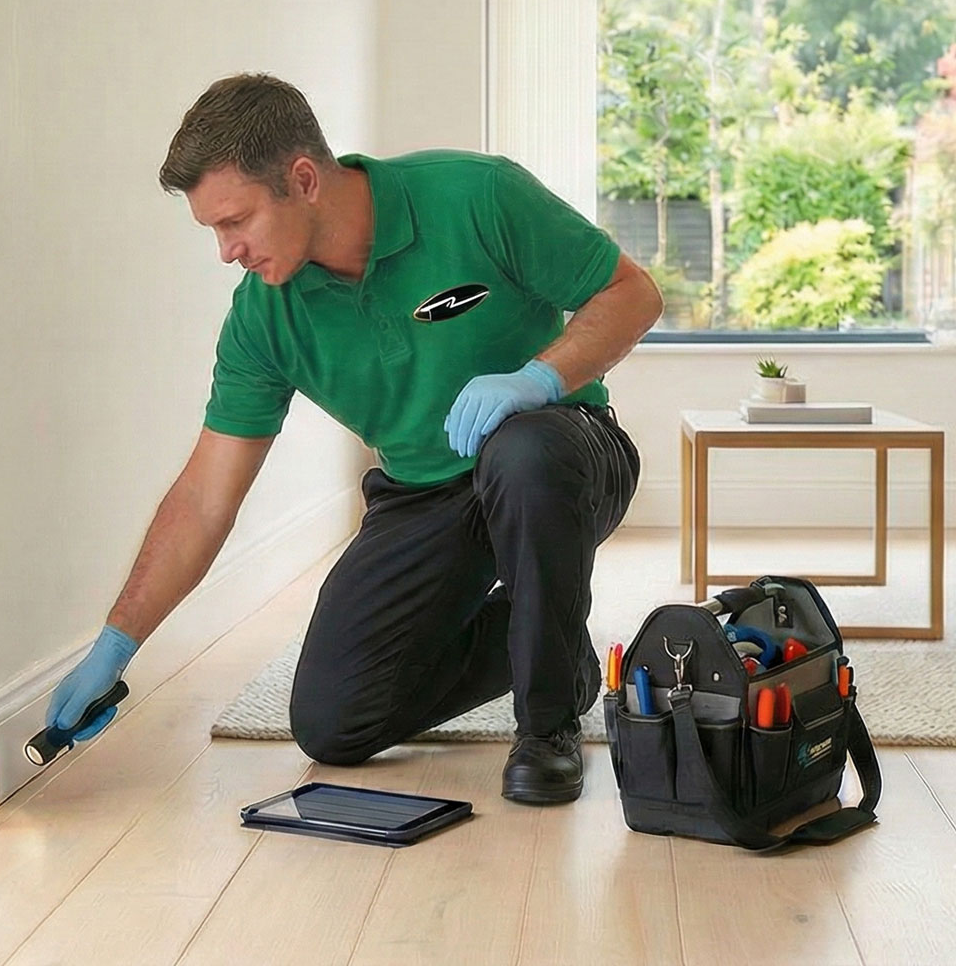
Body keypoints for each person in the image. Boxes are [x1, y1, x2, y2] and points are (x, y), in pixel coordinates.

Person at [43, 73, 662, 804]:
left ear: (303, 179)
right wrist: (117, 645)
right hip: (424, 491)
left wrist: (537, 379)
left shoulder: (477, 196)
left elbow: (633, 294)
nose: (226, 250)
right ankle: (554, 646)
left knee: (523, 453)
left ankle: (549, 723)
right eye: (213, 229)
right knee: (333, 721)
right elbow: (205, 496)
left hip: (561, 452)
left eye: (235, 221)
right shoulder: (265, 315)